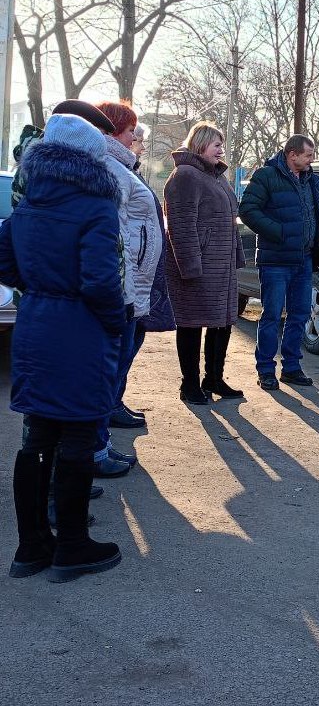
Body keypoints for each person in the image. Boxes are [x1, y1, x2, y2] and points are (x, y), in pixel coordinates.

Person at [0, 114, 127, 581]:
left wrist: (38, 287)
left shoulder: (28, 204)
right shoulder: (95, 207)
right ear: (92, 159)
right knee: (77, 433)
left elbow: (4, 260)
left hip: (35, 327)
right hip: (79, 331)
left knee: (37, 436)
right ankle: (71, 547)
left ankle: (31, 548)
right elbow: (100, 280)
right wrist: (115, 323)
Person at [88, 101, 163, 481]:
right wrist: (124, 290)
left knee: (117, 367)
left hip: (133, 286)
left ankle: (100, 440)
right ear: (115, 130)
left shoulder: (120, 166)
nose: (137, 137)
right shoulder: (110, 169)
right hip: (123, 287)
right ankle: (96, 448)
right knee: (106, 371)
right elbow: (115, 235)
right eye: (132, 129)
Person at [238, 134, 319, 391]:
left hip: (303, 259)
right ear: (292, 155)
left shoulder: (310, 180)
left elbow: (317, 213)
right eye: (308, 155)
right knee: (271, 315)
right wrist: (278, 232)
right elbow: (247, 210)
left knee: (299, 314)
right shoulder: (266, 176)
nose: (312, 160)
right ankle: (266, 370)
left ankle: (292, 367)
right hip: (275, 261)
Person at [164, 122, 246, 404]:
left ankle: (213, 378)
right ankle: (189, 385)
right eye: (216, 145)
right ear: (200, 144)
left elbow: (229, 221)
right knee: (191, 324)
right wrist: (190, 266)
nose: (221, 150)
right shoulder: (185, 175)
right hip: (198, 267)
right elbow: (181, 225)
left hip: (221, 266)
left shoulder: (217, 176)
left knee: (221, 323)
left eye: (221, 145)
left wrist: (236, 256)